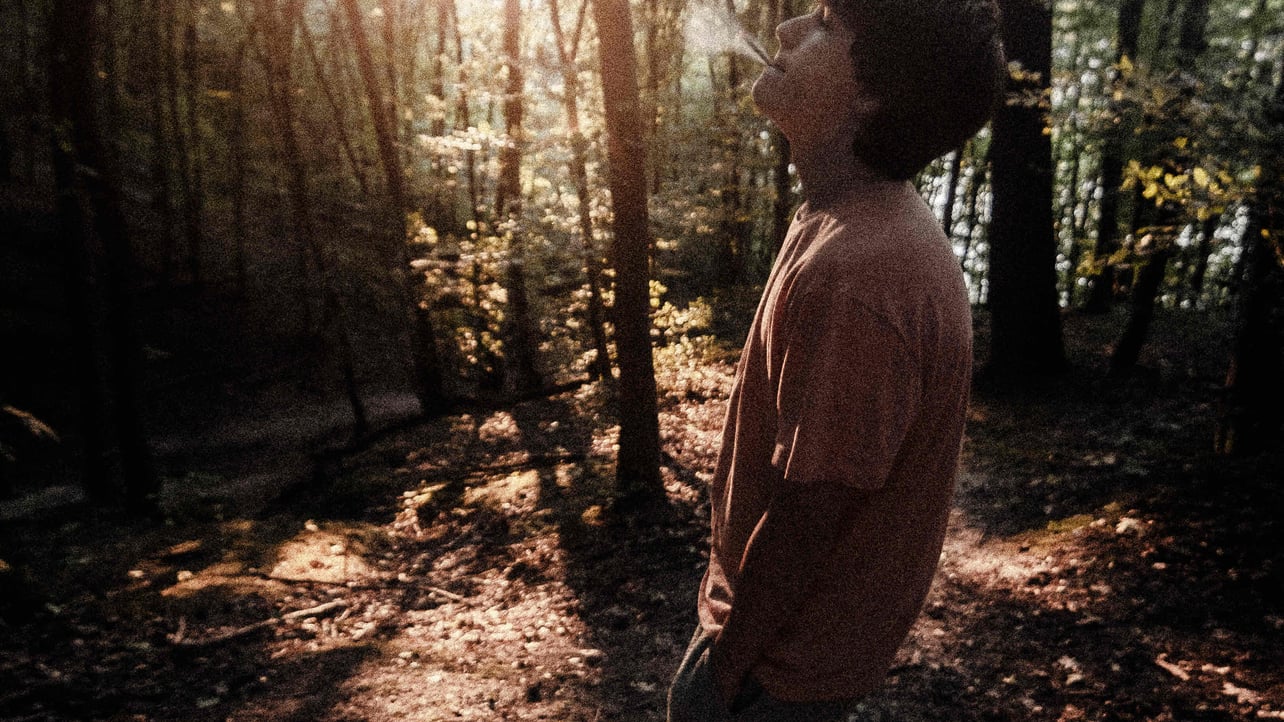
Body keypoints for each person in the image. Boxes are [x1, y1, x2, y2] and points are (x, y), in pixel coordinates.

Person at [667, 1, 1006, 720]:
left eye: (825, 23)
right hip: (771, 652)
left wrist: (724, 673)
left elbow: (812, 513)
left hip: (774, 674)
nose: (787, 28)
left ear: (874, 93)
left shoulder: (863, 274)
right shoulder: (844, 219)